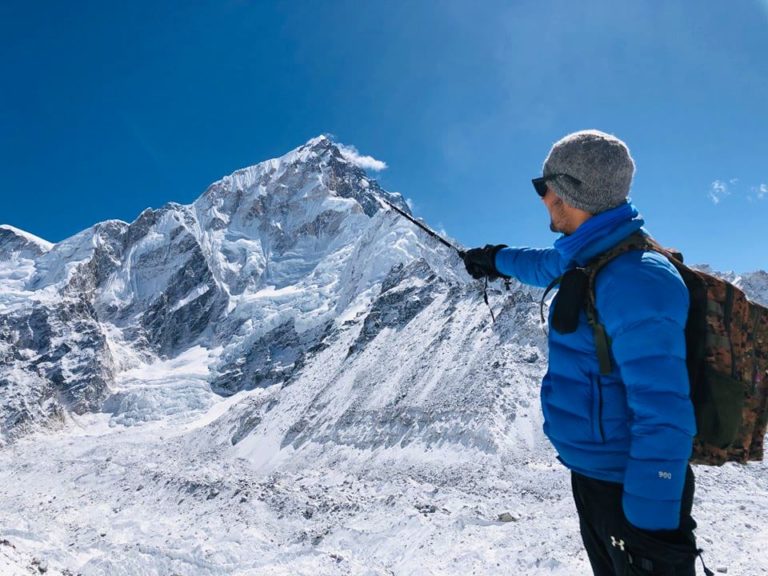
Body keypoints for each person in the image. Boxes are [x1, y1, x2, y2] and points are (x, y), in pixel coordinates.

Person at [462, 130, 701, 576]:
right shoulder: (592, 253)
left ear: (566, 193)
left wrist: (650, 531)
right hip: (596, 479)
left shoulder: (635, 279)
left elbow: (665, 413)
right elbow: (541, 264)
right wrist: (493, 258)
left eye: (543, 185)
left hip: (632, 492)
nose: (541, 197)